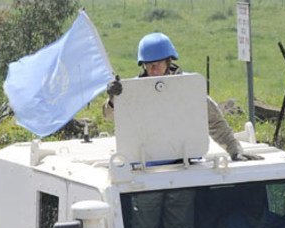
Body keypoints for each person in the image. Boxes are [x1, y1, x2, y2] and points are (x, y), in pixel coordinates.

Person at [105, 32, 259, 162]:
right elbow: (109, 118)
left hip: (184, 164)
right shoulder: (132, 90)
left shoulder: (187, 87)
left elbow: (215, 122)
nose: (153, 70)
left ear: (168, 61)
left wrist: (234, 150)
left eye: (157, 64)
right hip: (145, 165)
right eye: (148, 65)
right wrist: (113, 99)